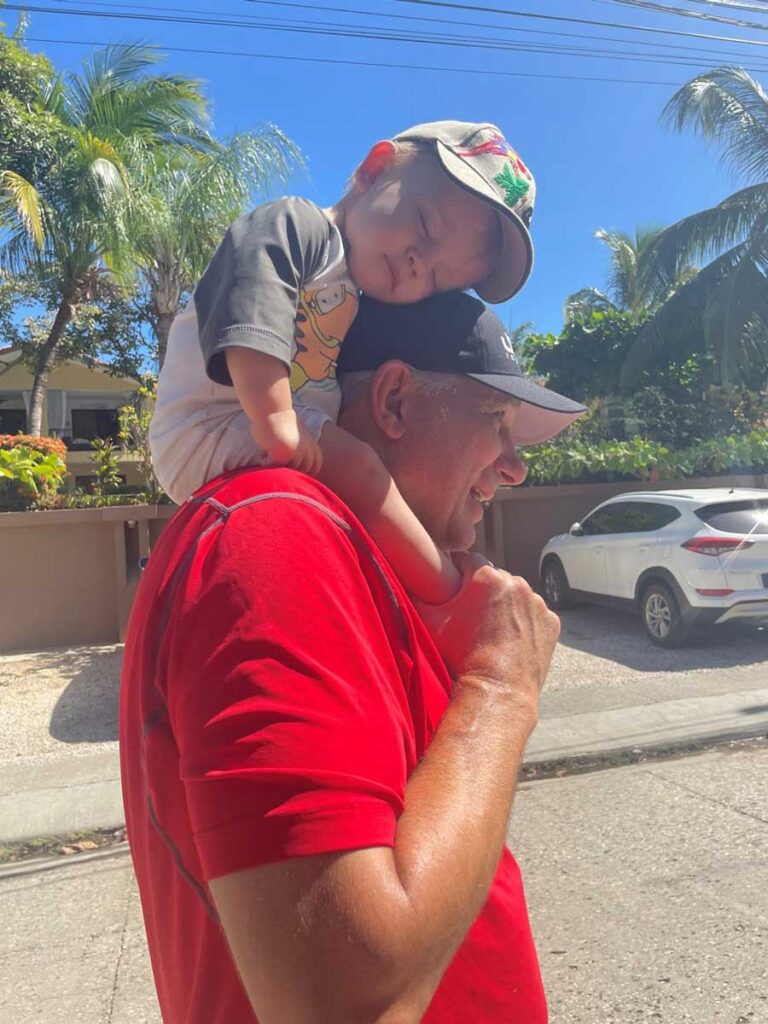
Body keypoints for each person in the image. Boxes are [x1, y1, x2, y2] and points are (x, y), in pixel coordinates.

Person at [121, 290, 585, 1024]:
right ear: (395, 400)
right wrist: (502, 684)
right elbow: (348, 1003)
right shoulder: (276, 534)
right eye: (496, 423)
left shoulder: (328, 543)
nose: (517, 467)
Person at [149, 120, 538, 603]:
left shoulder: (353, 293)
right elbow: (253, 296)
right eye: (425, 225)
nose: (420, 263)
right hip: (213, 421)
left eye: (439, 278)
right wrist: (274, 417)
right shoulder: (301, 227)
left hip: (252, 429)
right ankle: (449, 596)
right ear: (374, 170)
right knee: (359, 467)